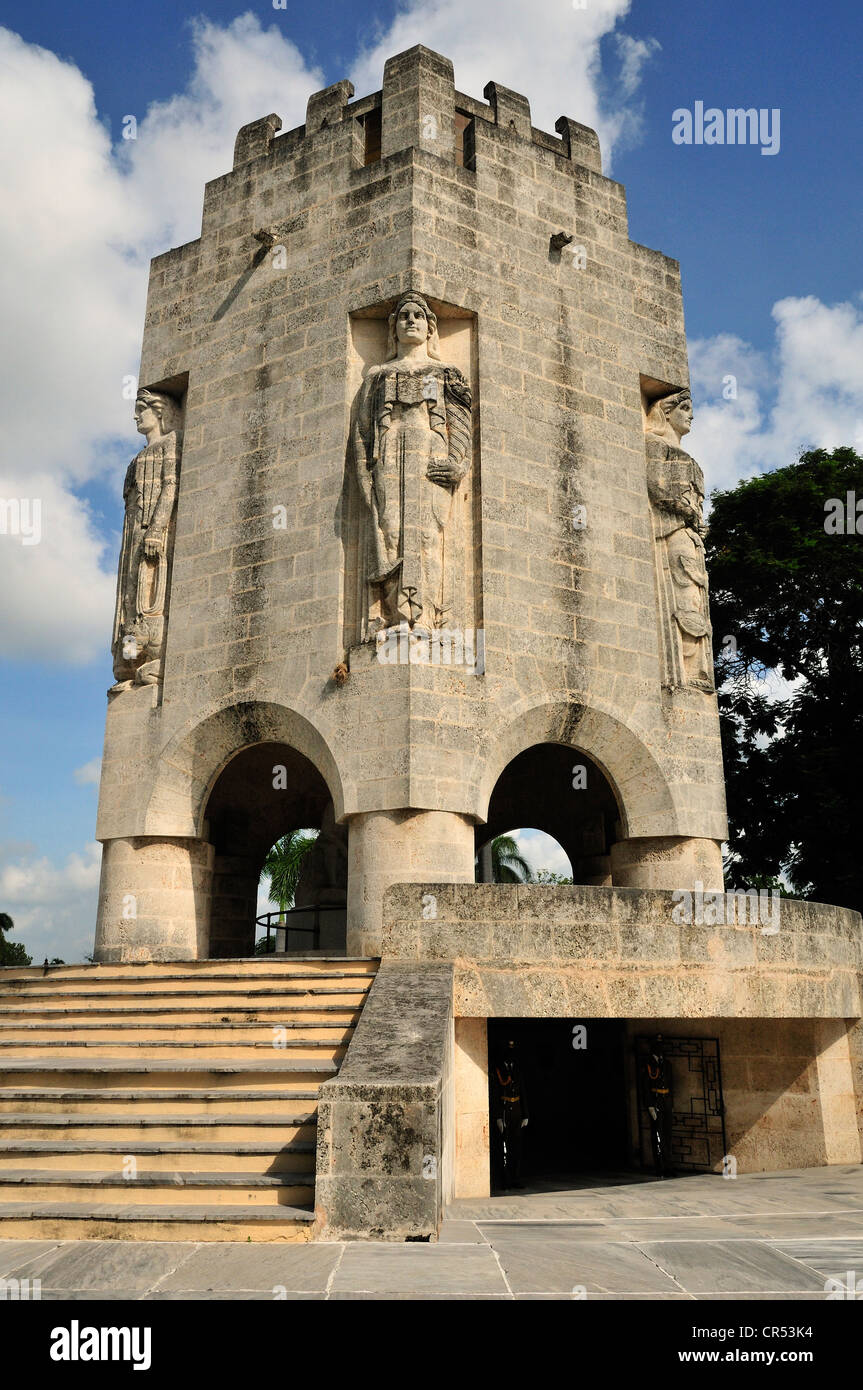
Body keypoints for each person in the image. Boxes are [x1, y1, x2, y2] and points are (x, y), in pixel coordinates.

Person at [492, 1037, 529, 1188]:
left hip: (517, 1113)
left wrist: (525, 1114)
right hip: (506, 1111)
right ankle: (506, 1179)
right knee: (505, 1148)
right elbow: (496, 1095)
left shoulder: (517, 1069)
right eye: (509, 1050)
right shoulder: (499, 1070)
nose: (511, 1054)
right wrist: (499, 1117)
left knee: (517, 1147)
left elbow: (523, 1092)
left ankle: (516, 1178)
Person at [642, 1034, 674, 1177]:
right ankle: (659, 1166)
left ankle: (669, 1165)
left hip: (666, 1100)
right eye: (657, 1045)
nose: (660, 1048)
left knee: (667, 1134)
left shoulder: (666, 1064)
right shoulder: (648, 1064)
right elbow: (645, 1086)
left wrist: (671, 1102)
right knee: (657, 1135)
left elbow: (671, 1084)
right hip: (655, 1101)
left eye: (661, 1045)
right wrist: (649, 1106)